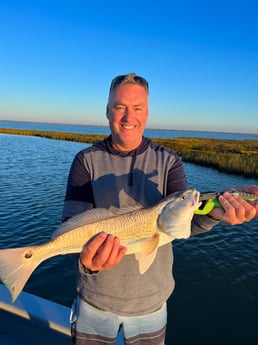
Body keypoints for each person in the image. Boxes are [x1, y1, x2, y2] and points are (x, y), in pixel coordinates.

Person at [61, 73, 258, 345]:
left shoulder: (169, 161)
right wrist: (88, 264)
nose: (129, 117)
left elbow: (181, 223)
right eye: (120, 107)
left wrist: (214, 213)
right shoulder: (85, 161)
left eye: (137, 108)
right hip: (94, 302)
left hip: (152, 305)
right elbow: (72, 228)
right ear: (107, 110)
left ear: (148, 112)